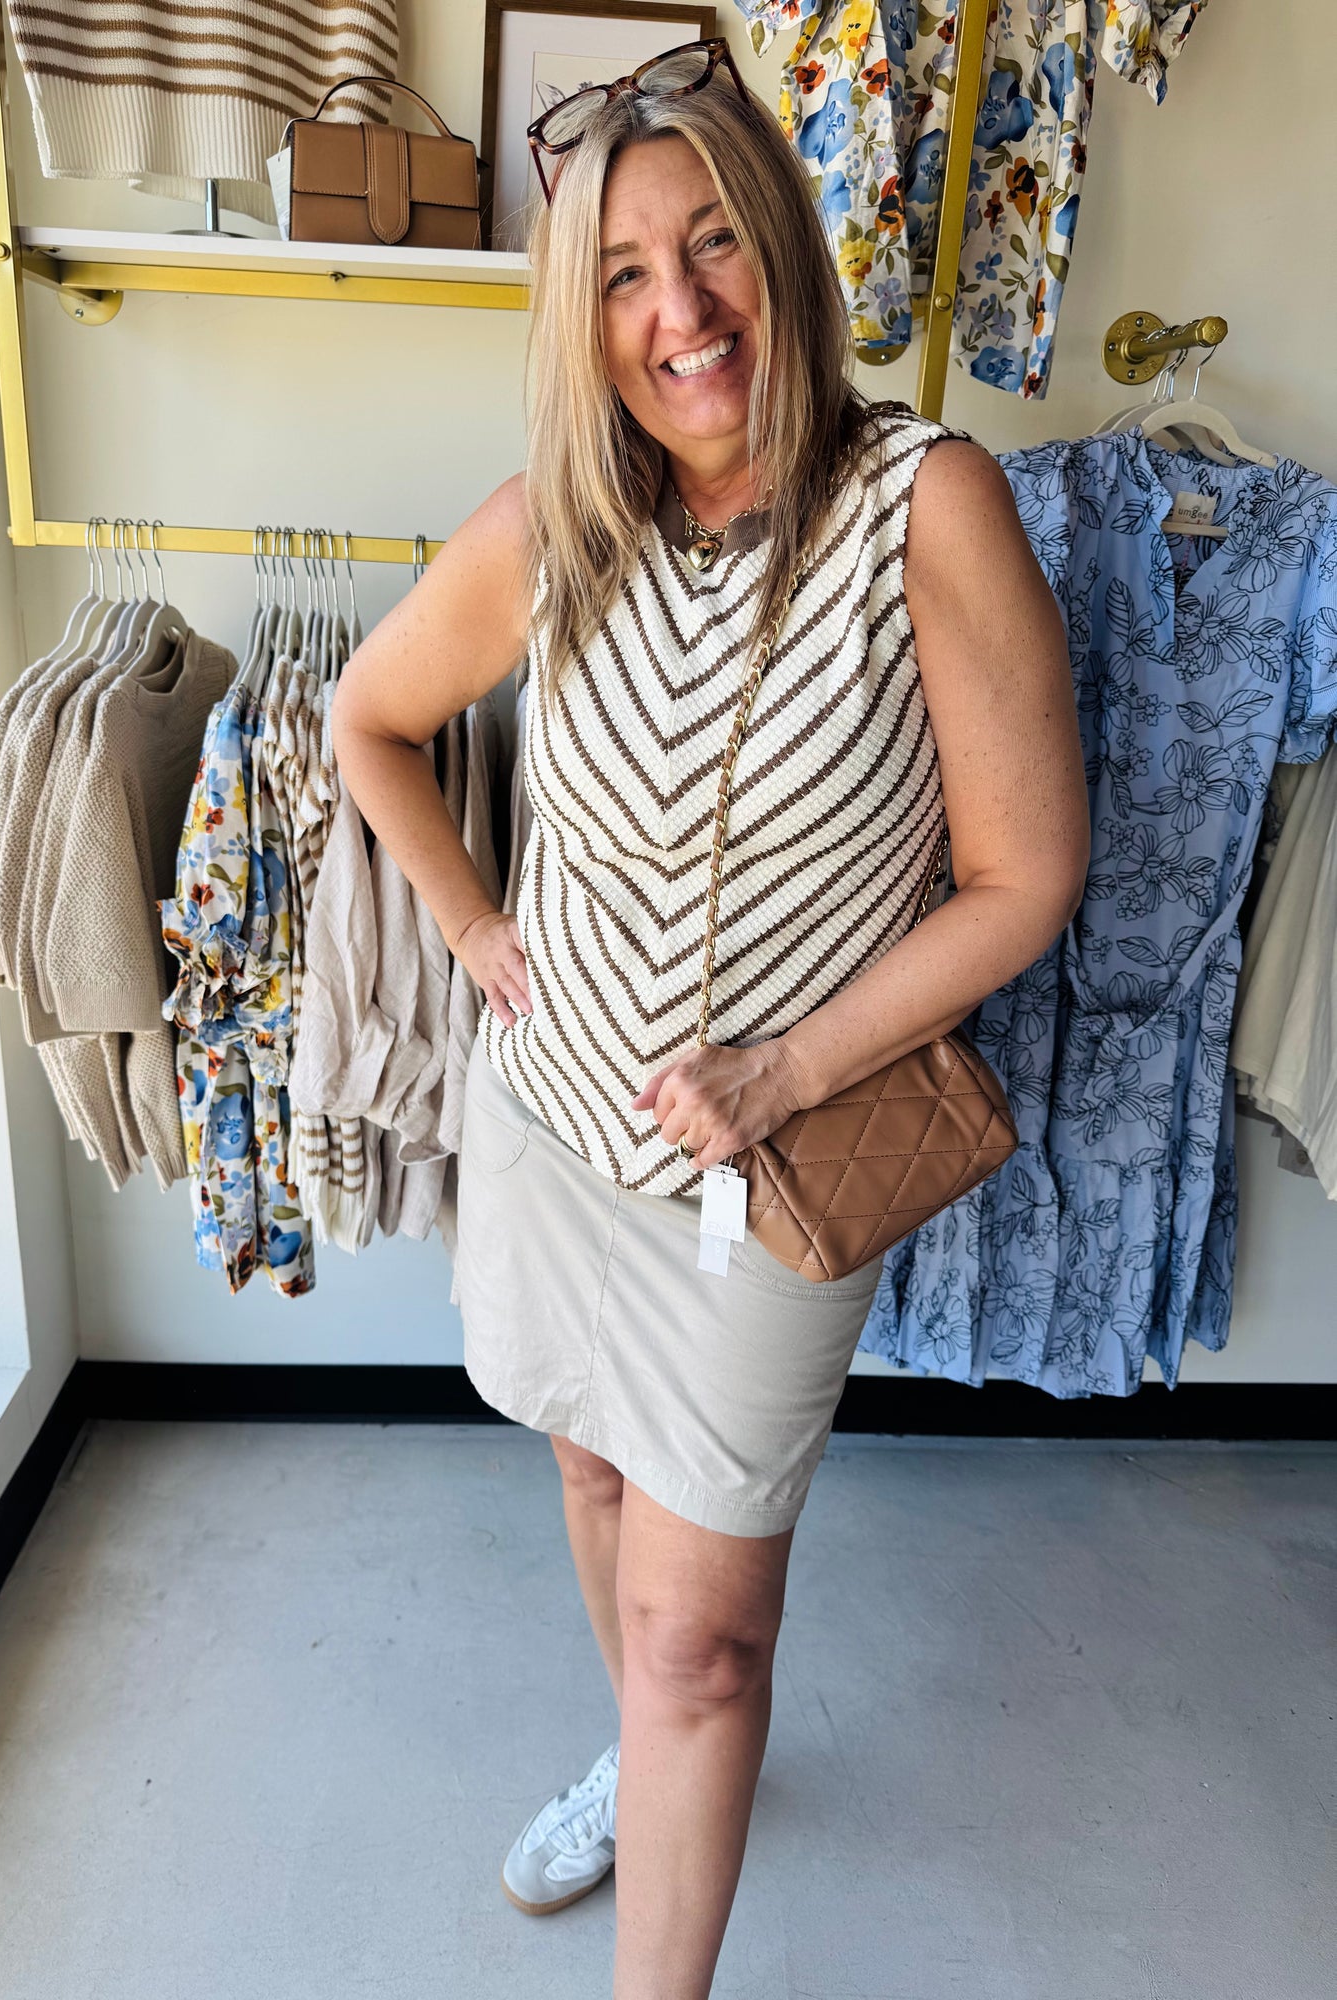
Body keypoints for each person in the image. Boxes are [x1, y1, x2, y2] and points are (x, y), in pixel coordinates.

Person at [328, 37, 1088, 2000]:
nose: (681, 312)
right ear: (581, 323)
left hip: (775, 1177)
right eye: (623, 275)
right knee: (590, 1478)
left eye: (717, 244)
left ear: (786, 252)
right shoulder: (555, 534)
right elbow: (367, 725)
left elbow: (1028, 876)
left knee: (706, 1634)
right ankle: (636, 1757)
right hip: (557, 1125)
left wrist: (784, 1069)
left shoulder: (929, 508)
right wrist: (480, 921)